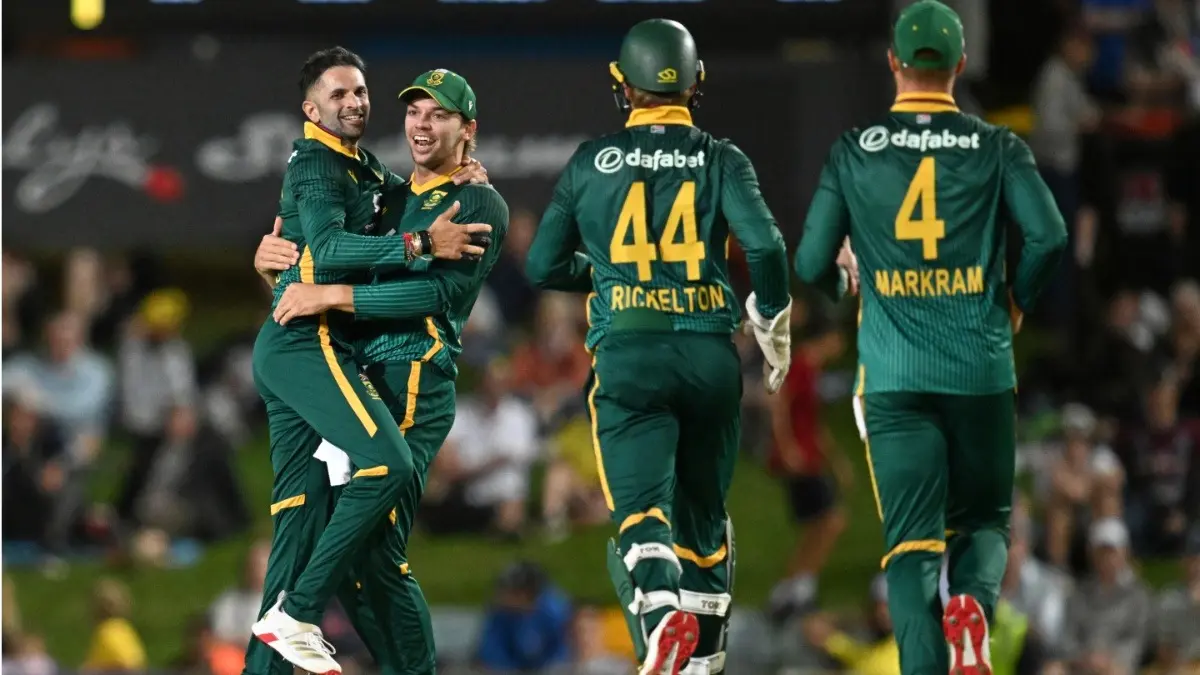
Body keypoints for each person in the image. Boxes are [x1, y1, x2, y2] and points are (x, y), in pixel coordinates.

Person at [793, 2, 1068, 675]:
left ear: (894, 64)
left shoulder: (856, 151)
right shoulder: (998, 146)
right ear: (961, 66)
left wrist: (847, 284)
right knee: (984, 524)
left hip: (893, 374)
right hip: (978, 363)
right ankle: (972, 609)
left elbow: (808, 265)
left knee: (911, 548)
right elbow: (1050, 235)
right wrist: (1016, 303)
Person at [525, 18, 795, 675]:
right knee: (704, 524)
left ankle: (658, 611)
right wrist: (772, 318)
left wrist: (610, 272)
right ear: (696, 83)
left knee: (642, 514)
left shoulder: (592, 163)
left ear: (622, 86)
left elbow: (540, 265)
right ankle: (701, 661)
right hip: (709, 356)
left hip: (630, 354)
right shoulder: (721, 157)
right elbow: (764, 246)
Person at [246, 48, 494, 675]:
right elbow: (317, 253)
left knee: (371, 550)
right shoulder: (381, 187)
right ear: (311, 109)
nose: (422, 122)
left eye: (441, 115)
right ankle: (288, 628)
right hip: (345, 367)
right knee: (313, 538)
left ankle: (320, 627)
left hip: (411, 373)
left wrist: (322, 288)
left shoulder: (476, 204)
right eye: (415, 109)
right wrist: (278, 267)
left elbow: (433, 293)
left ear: (468, 130)